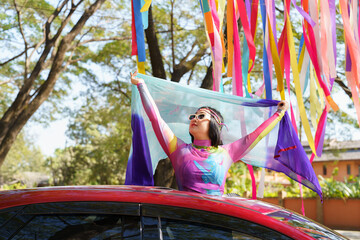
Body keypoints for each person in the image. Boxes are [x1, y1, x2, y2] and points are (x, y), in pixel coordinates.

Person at [130, 71, 289, 196]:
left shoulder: (228, 152)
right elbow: (156, 120)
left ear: (215, 124)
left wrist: (279, 113)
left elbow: (257, 135)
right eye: (193, 116)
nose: (194, 119)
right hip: (186, 223)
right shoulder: (177, 149)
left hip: (217, 223)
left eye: (201, 116)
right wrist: (142, 86)